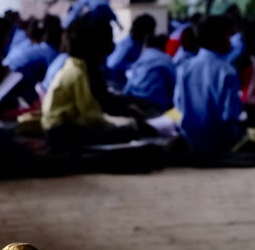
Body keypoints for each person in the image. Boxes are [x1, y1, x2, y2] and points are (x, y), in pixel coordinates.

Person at [40, 17, 146, 151]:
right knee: (128, 132)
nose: (112, 46)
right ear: (95, 45)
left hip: (62, 128)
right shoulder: (78, 73)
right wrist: (115, 125)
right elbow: (90, 115)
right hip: (61, 132)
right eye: (108, 41)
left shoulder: (75, 66)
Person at [173, 15, 242, 160]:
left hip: (190, 141)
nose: (230, 42)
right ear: (218, 39)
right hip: (219, 145)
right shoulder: (227, 71)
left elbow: (178, 107)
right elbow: (230, 117)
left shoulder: (184, 68)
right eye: (228, 36)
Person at [121, 32, 176, 114]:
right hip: (158, 104)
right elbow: (175, 82)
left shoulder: (143, 57)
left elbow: (130, 81)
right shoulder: (166, 59)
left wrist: (124, 97)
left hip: (136, 99)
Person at [105, 13, 155, 89]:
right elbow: (112, 64)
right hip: (115, 81)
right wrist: (132, 66)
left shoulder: (139, 42)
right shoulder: (128, 43)